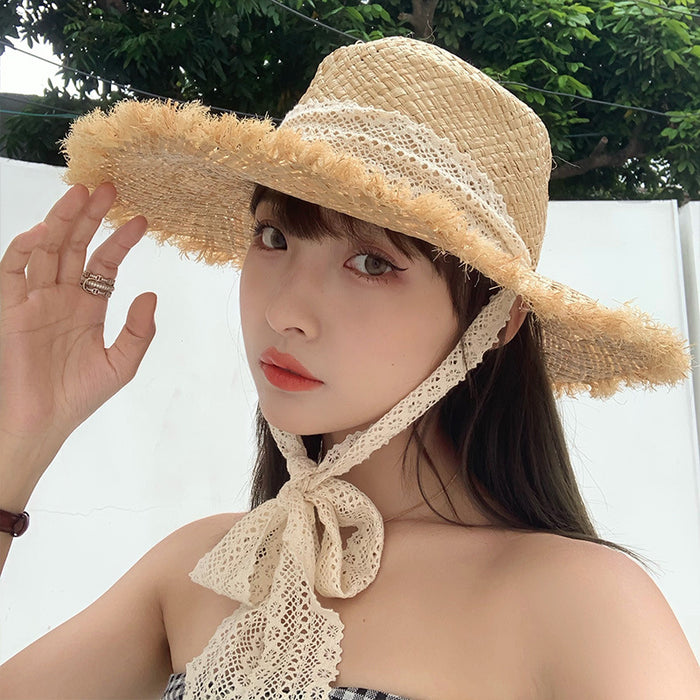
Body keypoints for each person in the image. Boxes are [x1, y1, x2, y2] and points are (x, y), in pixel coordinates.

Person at [0, 36, 698, 700]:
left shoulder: (583, 604)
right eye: (273, 236)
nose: (286, 314)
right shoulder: (201, 570)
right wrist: (17, 440)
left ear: (498, 322)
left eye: (371, 262)